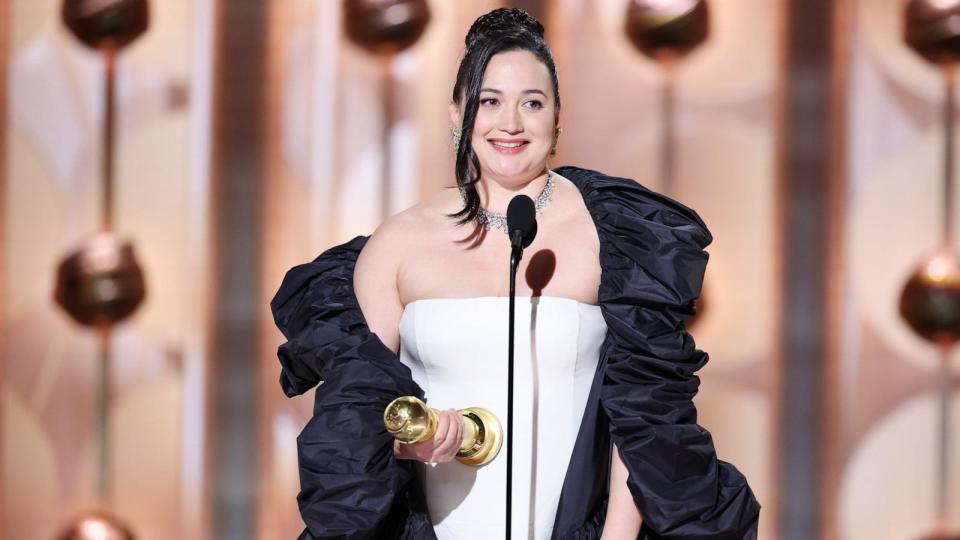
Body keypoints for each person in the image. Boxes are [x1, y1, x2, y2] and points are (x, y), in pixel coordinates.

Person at [271, 7, 760, 540]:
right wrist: (411, 442)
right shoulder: (398, 245)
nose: (511, 123)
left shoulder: (617, 235)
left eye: (532, 103)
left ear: (557, 118)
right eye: (489, 102)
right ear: (457, 115)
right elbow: (354, 424)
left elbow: (646, 425)